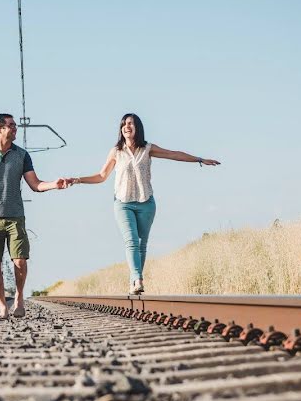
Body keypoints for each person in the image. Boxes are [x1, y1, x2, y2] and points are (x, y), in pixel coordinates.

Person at [65, 113, 220, 294]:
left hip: (146, 202)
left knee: (141, 244)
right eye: (124, 124)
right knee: (131, 241)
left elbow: (173, 154)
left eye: (130, 123)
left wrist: (199, 159)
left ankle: (134, 280)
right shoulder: (116, 151)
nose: (126, 126)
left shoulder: (147, 149)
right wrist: (77, 180)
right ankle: (138, 279)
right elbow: (101, 176)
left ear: (137, 127)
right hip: (123, 203)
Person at [0, 113, 69, 319]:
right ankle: (2, 306)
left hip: (15, 217)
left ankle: (19, 298)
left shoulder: (22, 155)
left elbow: (35, 184)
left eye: (15, 125)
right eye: (11, 125)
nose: (15, 128)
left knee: (20, 261)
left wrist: (54, 184)